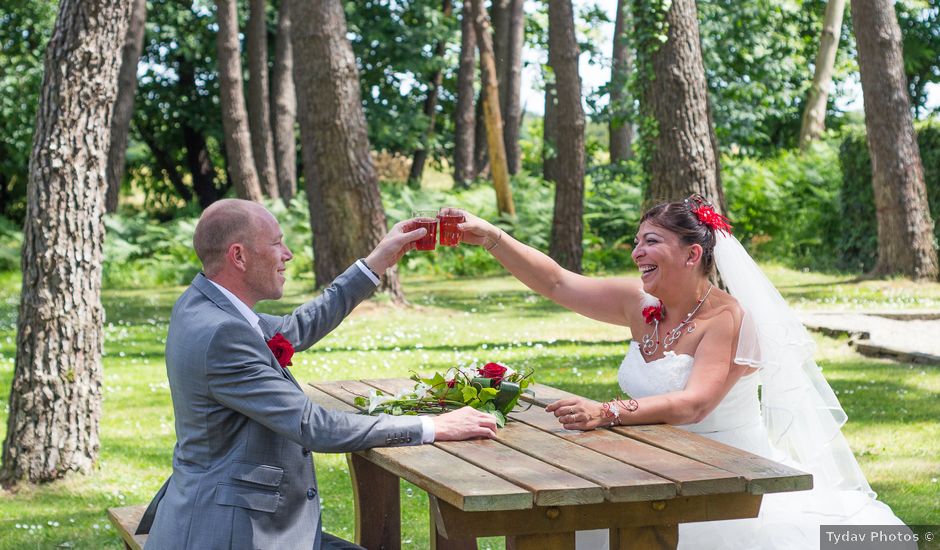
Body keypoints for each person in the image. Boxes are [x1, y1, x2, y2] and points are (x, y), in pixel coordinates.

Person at [452, 196, 906, 549]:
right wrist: (491, 236)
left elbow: (695, 404)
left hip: (725, 481)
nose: (636, 252)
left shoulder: (727, 318)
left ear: (692, 255)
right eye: (637, 241)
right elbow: (555, 281)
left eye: (651, 241)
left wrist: (606, 410)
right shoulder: (639, 304)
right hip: (645, 469)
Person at [140, 199, 497, 550]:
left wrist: (376, 263)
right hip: (235, 532)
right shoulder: (223, 333)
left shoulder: (202, 304)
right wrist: (436, 427)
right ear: (239, 256)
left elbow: (295, 327)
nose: (288, 254)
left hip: (216, 510)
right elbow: (315, 427)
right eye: (277, 243)